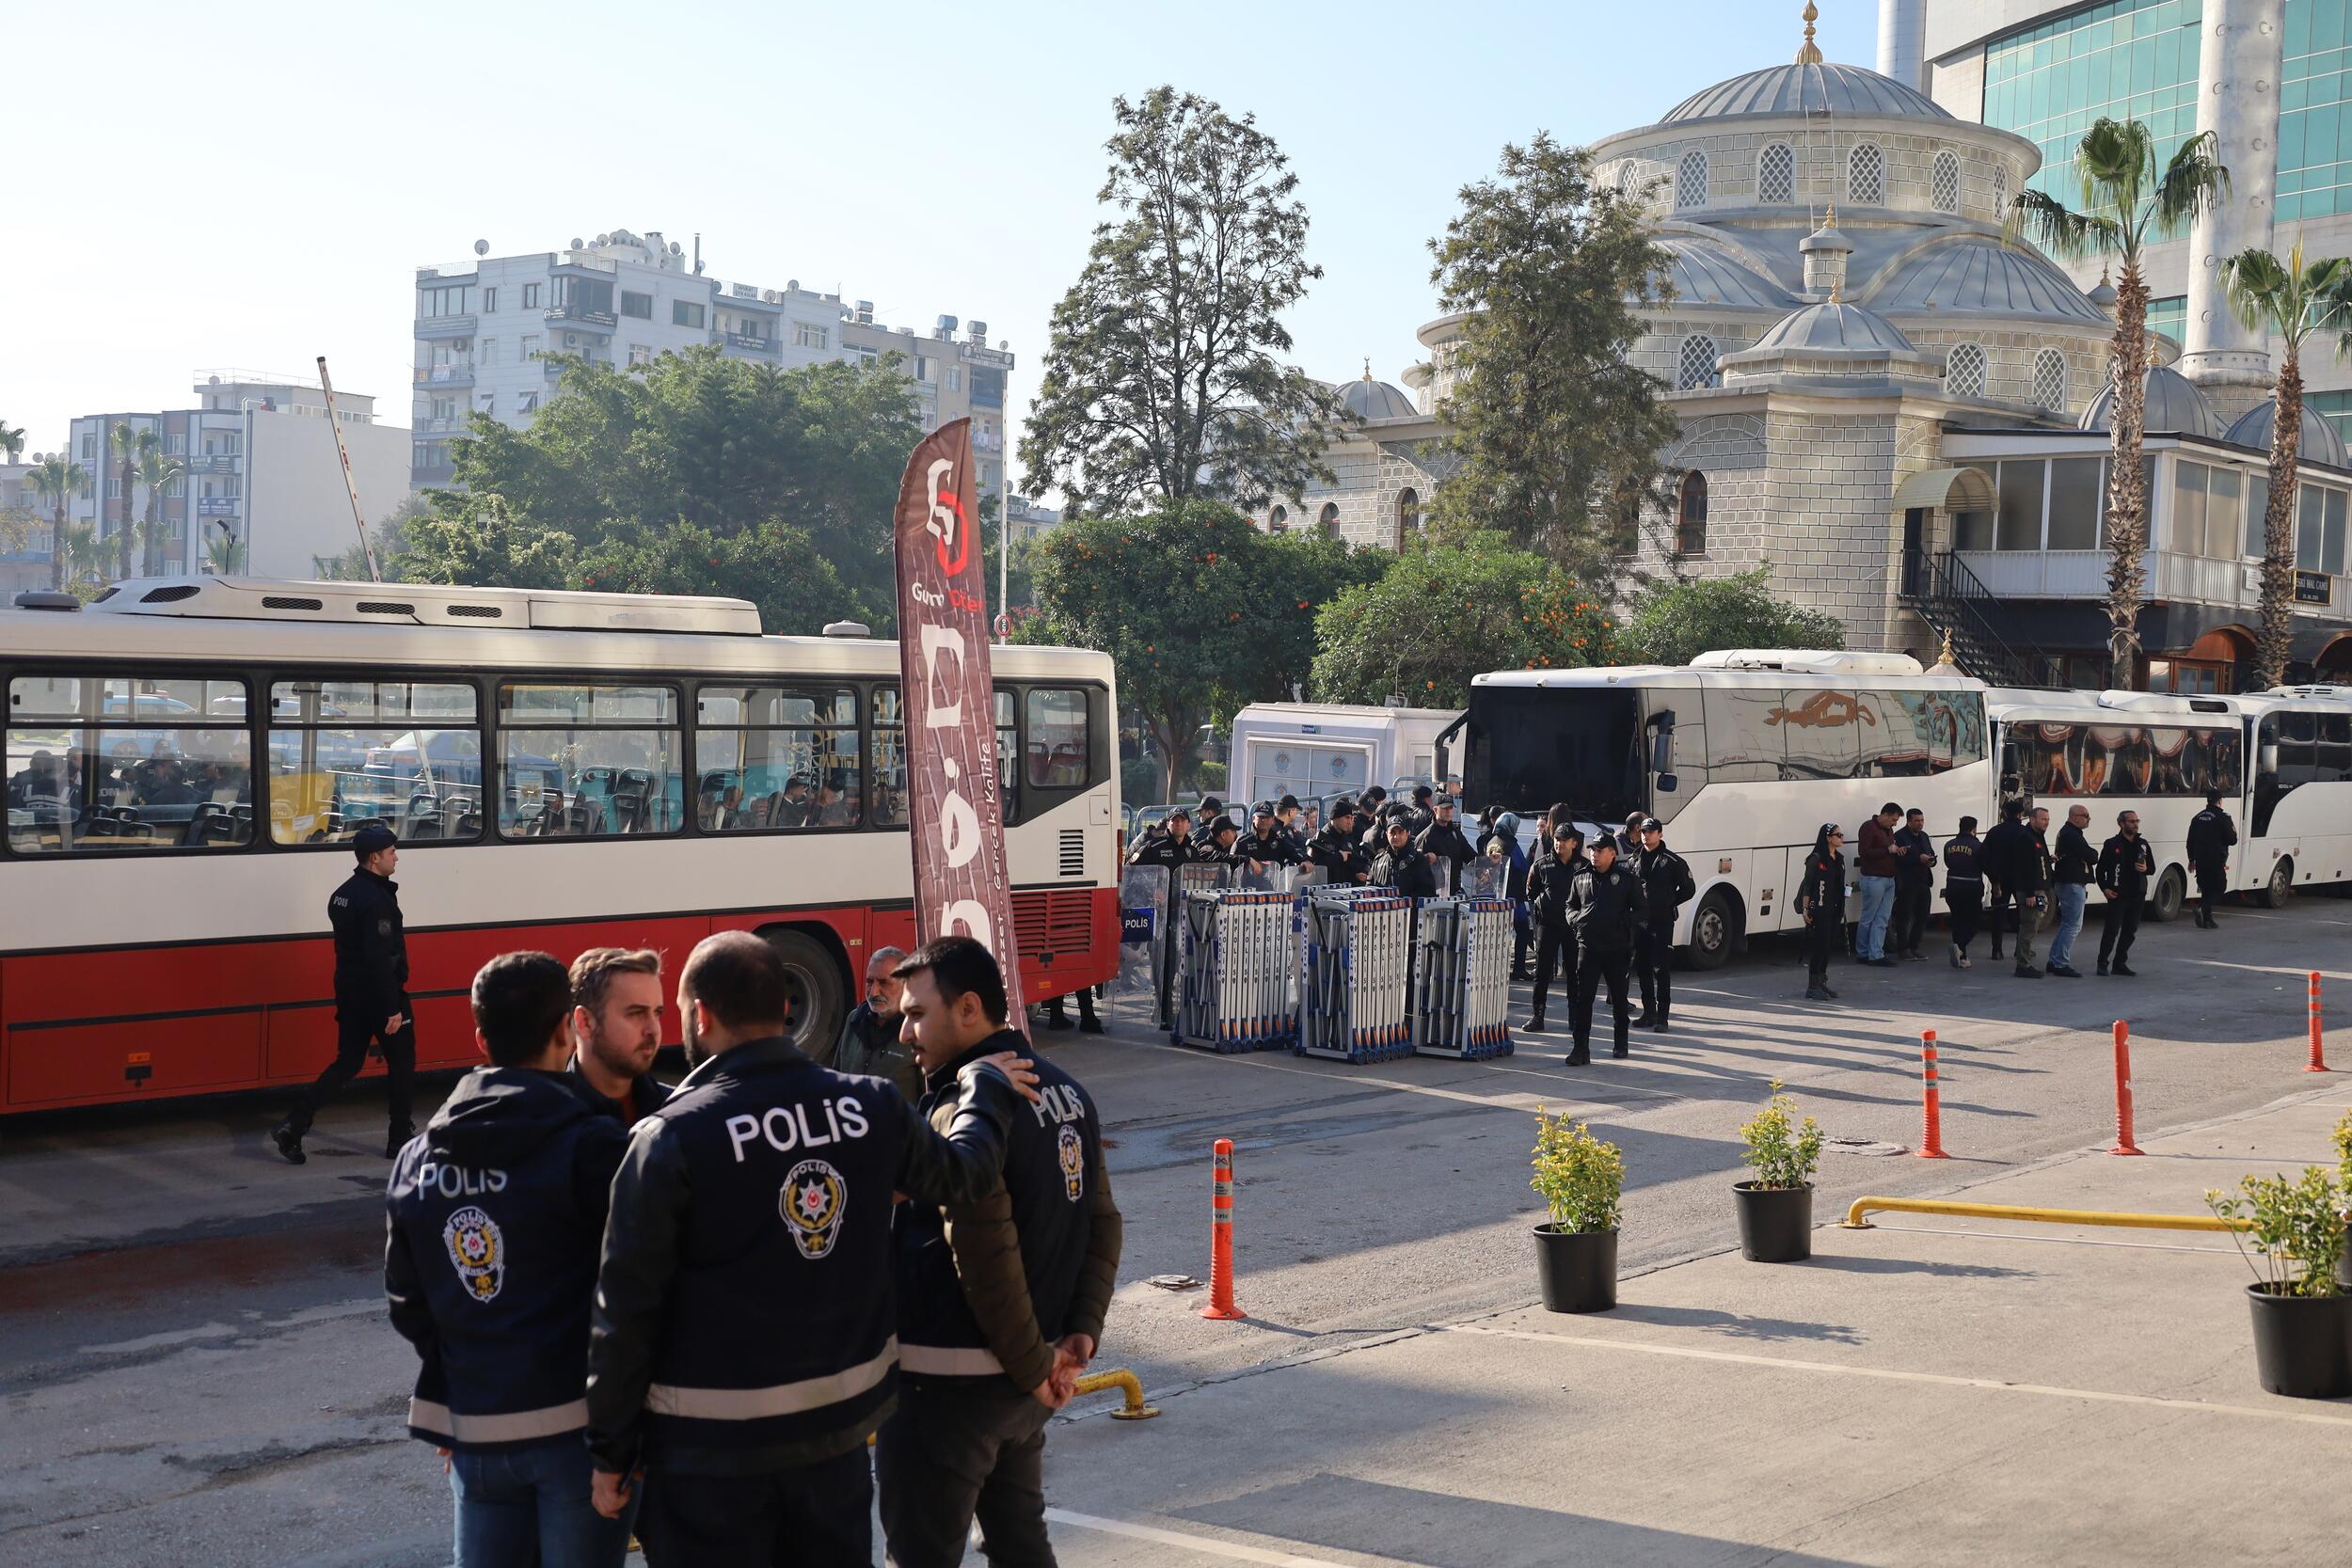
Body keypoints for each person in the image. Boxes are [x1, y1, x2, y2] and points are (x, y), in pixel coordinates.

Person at [584, 931, 1028, 1568]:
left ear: (700, 1015)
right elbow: (967, 1175)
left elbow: (624, 1312)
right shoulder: (871, 1105)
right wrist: (984, 1085)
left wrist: (610, 1452)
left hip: (708, 1463)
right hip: (835, 1448)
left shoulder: (670, 1136)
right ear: (785, 1008)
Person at [878, 938, 1124, 1568]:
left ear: (968, 1008)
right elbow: (1102, 1224)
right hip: (1023, 1389)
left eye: (916, 1014)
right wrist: (1079, 1335)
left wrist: (1038, 1365)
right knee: (1020, 1544)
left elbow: (987, 1257)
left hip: (949, 1389)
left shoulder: (967, 1112)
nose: (904, 1032)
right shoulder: (1069, 1091)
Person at [386, 951, 635, 1568]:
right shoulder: (593, 1145)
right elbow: (634, 1292)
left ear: (480, 1038)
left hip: (477, 1431)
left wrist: (465, 1380)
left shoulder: (418, 1157)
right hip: (578, 1433)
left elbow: (407, 1300)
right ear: (565, 1031)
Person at [273, 821, 414, 1164]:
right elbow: (380, 958)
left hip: (349, 992)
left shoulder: (343, 893)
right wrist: (392, 1007)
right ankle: (399, 1139)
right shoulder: (376, 900)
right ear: (374, 857)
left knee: (348, 1061)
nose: (396, 857)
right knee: (402, 1064)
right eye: (391, 851)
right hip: (380, 995)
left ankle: (295, 1122)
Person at [569, 947, 672, 1126]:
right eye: (636, 1013)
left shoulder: (675, 1108)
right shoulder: (548, 1117)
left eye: (657, 1013)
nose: (653, 1029)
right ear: (585, 1022)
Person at [1565, 837, 1645, 1065]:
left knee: (1619, 999)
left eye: (1600, 851)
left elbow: (1642, 910)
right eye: (1593, 850)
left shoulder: (1626, 879)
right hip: (1588, 946)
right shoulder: (1580, 877)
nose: (1594, 854)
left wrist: (1623, 921)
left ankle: (1621, 1043)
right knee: (1583, 999)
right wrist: (1576, 920)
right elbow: (1570, 905)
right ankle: (1580, 1049)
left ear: (1612, 854)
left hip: (1616, 948)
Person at [829, 945, 929, 1089]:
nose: (873, 992)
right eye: (869, 982)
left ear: (906, 984)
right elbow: (836, 1077)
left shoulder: (918, 1031)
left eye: (884, 983)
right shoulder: (854, 1020)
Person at [1522, 824, 1588, 1034]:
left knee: (1575, 974)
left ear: (1574, 843)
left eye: (1564, 840)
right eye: (1557, 839)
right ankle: (1537, 1016)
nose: (1560, 843)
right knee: (1542, 973)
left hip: (1573, 927)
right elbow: (1531, 892)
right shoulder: (1542, 865)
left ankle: (1574, 1017)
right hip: (1548, 926)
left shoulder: (1584, 866)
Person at [1631, 816, 1693, 1031]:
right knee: (1643, 968)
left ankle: (1662, 1017)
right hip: (1640, 923)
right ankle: (1648, 1013)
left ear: (1660, 834)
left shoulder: (1672, 861)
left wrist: (1669, 902)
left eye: (1650, 832)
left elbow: (1689, 889)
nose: (1646, 835)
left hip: (1662, 922)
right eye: (1643, 832)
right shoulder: (1634, 859)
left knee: (1661, 969)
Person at [2096, 809, 2156, 976]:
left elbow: (2152, 868)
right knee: (2112, 929)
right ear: (2121, 823)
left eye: (2137, 821)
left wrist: (2145, 868)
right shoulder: (2112, 844)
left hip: (2137, 893)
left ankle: (2120, 963)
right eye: (2131, 821)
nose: (2135, 824)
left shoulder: (2143, 844)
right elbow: (2100, 870)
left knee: (2130, 930)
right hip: (2118, 894)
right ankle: (2102, 962)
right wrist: (2105, 888)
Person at [1793, 824, 1845, 1002]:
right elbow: (1808, 885)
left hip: (1834, 908)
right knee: (1820, 946)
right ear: (1828, 838)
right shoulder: (1816, 859)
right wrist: (1805, 909)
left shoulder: (1839, 859)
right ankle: (1812, 986)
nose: (1841, 838)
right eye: (1838, 835)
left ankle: (1821, 981)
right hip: (1820, 909)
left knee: (1828, 945)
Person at [2046, 804, 2096, 979]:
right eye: (2085, 815)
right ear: (2074, 817)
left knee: (2067, 924)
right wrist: (2092, 854)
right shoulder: (2072, 835)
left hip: (2067, 882)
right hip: (2072, 883)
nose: (2088, 819)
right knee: (2073, 925)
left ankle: (2054, 960)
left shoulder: (2067, 833)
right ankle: (2060, 962)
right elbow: (2092, 856)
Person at [1853, 802, 1901, 967]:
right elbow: (1864, 852)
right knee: (1869, 917)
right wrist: (1887, 850)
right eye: (1893, 820)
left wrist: (1896, 850)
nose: (1894, 824)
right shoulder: (1868, 827)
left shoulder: (1888, 830)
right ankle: (1863, 952)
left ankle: (1876, 954)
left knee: (1882, 918)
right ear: (1885, 815)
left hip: (1888, 878)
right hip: (1874, 878)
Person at [1982, 799, 2029, 963]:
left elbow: (1984, 857)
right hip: (2021, 880)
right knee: (2024, 915)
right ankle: (2020, 949)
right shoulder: (2025, 832)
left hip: (1999, 880)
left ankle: (1996, 950)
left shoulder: (1994, 832)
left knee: (1998, 915)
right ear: (2020, 814)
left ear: (2004, 814)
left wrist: (1994, 879)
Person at [2010, 806, 2053, 978]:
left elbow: (2036, 862)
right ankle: (2023, 965)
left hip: (2038, 888)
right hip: (2031, 890)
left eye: (2048, 820)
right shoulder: (2027, 838)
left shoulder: (2038, 837)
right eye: (2043, 819)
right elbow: (2024, 868)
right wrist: (2029, 894)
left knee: (2032, 926)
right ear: (2032, 819)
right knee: (2028, 927)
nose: (2046, 822)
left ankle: (2024, 959)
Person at [2186, 789, 2238, 929]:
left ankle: (2207, 920)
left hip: (2200, 860)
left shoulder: (2197, 818)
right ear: (2220, 801)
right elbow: (2232, 840)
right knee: (2220, 887)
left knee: (2206, 889)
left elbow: (2190, 841)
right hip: (2216, 860)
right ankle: (2201, 907)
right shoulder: (2223, 817)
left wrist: (2191, 859)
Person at [1891, 808, 1937, 961]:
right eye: (1917, 821)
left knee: (1923, 916)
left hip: (1923, 881)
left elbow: (1930, 853)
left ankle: (1914, 946)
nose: (1920, 824)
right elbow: (1897, 860)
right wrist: (1918, 859)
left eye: (1922, 820)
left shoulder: (1924, 836)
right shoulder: (1899, 836)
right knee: (1904, 916)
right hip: (1907, 882)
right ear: (1909, 821)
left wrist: (1931, 860)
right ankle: (1903, 948)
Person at [1942, 816, 1985, 970]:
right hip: (1971, 887)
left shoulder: (1949, 844)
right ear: (1974, 829)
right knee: (1975, 921)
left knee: (1957, 921)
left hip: (1952, 886)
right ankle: (1960, 947)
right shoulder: (1978, 846)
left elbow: (1947, 862)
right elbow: (1984, 865)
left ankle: (1962, 957)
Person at [1416, 795, 1476, 890]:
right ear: (1435, 810)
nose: (1448, 811)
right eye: (1444, 808)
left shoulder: (1455, 833)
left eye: (1451, 808)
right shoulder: (1426, 837)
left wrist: (1486, 864)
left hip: (1453, 890)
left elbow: (1470, 855)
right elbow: (1419, 869)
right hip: (1432, 893)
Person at [1371, 816, 1439, 898]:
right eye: (1392, 833)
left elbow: (1427, 892)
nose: (1396, 836)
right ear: (1386, 834)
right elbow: (1369, 891)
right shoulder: (1378, 861)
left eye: (1400, 832)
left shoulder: (1418, 860)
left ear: (1407, 834)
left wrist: (1402, 902)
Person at [1307, 800, 1370, 884]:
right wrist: (1339, 857)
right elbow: (1315, 866)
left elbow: (1358, 861)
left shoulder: (1347, 837)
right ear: (1335, 818)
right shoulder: (1321, 839)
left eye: (1351, 818)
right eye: (1347, 818)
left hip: (1345, 888)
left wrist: (1361, 872)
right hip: (1326, 888)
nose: (1350, 822)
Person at [1128, 806, 1196, 869]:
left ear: (1189, 825)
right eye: (1175, 820)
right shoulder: (1153, 847)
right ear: (1167, 824)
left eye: (1182, 820)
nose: (1179, 823)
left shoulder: (1192, 851)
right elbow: (1130, 869)